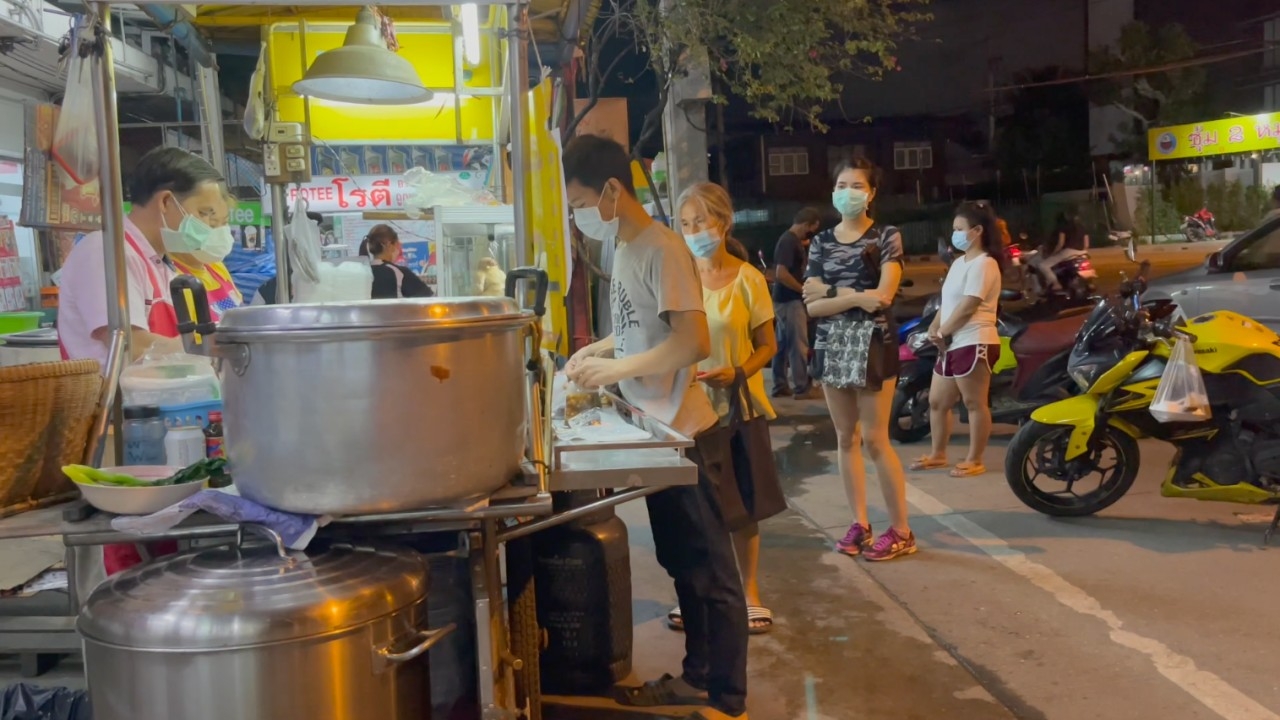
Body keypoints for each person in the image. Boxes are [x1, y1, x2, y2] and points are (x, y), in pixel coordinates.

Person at [562, 135, 748, 720]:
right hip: (659, 432)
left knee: (710, 570)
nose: (579, 216)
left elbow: (691, 340)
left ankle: (726, 696)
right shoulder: (625, 247)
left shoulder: (662, 248)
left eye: (580, 202)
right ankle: (697, 678)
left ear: (614, 190)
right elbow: (640, 325)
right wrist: (600, 349)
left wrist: (617, 368)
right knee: (681, 563)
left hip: (689, 433)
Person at [663, 182, 781, 636]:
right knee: (693, 510)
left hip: (737, 408)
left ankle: (749, 593)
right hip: (685, 410)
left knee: (742, 507)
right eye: (686, 223)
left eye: (701, 222)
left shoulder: (748, 279)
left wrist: (739, 371)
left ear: (723, 223)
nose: (693, 231)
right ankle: (695, 594)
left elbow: (767, 345)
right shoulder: (679, 276)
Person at [802, 157, 915, 562]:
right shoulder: (821, 242)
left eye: (855, 185)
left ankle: (901, 529)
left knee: (875, 439)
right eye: (841, 184)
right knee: (845, 438)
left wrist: (831, 294)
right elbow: (810, 306)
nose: (847, 191)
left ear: (870, 193)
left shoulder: (886, 236)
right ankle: (860, 523)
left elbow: (883, 296)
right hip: (832, 345)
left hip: (872, 345)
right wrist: (853, 298)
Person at [59, 146, 237, 368]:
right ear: (165, 202)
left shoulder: (159, 261)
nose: (211, 228)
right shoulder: (106, 252)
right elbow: (132, 346)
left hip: (157, 394)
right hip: (115, 399)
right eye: (204, 214)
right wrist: (218, 346)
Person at [910, 201, 1006, 477]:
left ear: (977, 231)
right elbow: (947, 303)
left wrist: (944, 331)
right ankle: (937, 454)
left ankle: (975, 459)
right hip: (950, 342)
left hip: (974, 340)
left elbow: (968, 306)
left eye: (960, 229)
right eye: (954, 229)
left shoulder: (985, 264)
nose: (955, 234)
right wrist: (936, 327)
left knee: (975, 403)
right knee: (937, 402)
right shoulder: (958, 263)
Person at [771, 207, 821, 398]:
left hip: (783, 300)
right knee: (798, 344)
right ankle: (801, 387)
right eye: (811, 229)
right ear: (806, 225)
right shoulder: (787, 242)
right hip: (789, 300)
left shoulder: (792, 240)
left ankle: (780, 385)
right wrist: (803, 290)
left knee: (782, 344)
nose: (811, 233)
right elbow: (781, 274)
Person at [357, 224, 433, 299]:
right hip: (394, 311)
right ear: (389, 245)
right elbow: (428, 298)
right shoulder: (399, 272)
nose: (400, 248)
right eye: (398, 244)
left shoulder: (362, 272)